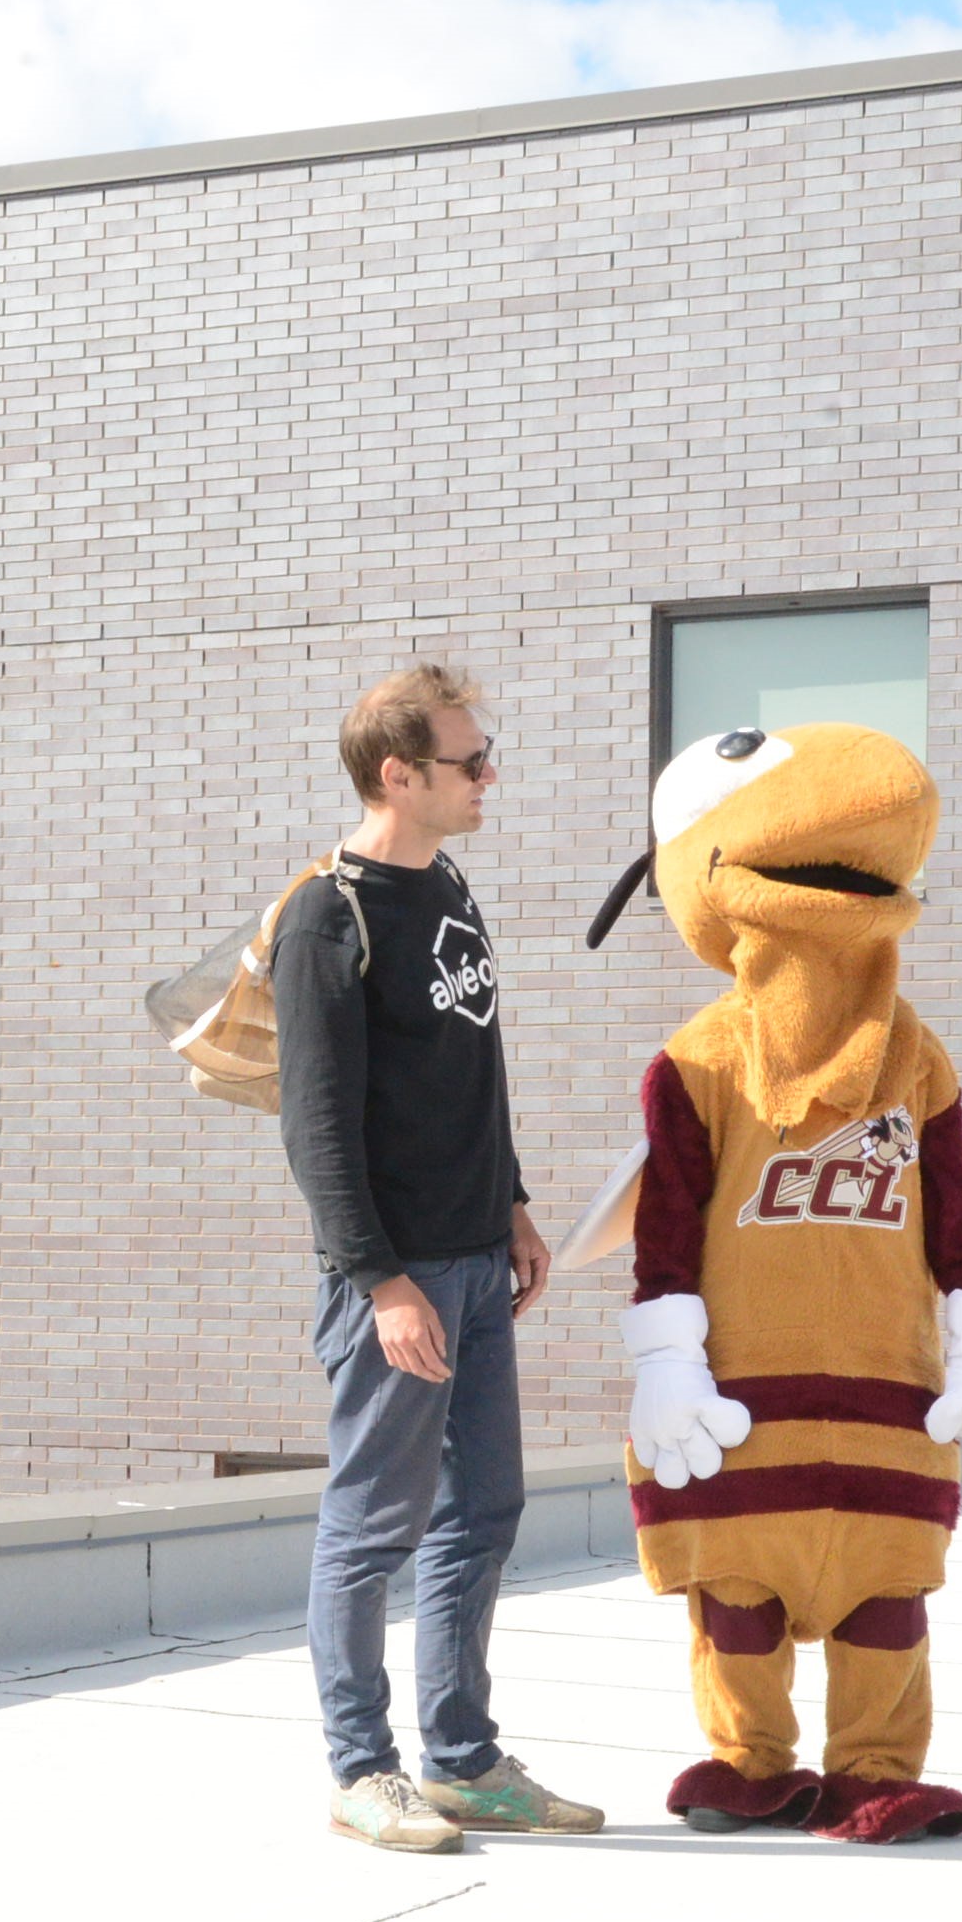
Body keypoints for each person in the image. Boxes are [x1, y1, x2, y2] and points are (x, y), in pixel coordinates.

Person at [271, 666, 605, 1852]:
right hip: (397, 1279)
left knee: (485, 1507)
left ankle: (461, 1760)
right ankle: (363, 1769)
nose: (490, 775)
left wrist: (511, 1201)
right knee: (373, 1526)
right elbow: (316, 1125)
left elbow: (477, 1066)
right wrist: (381, 1280)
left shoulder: (451, 884)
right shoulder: (328, 914)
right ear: (397, 774)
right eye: (472, 760)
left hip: (476, 1258)